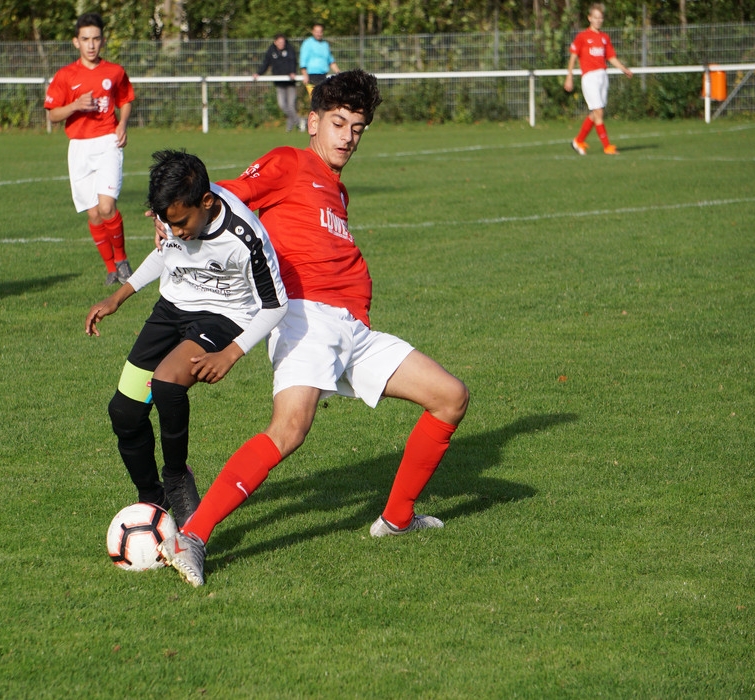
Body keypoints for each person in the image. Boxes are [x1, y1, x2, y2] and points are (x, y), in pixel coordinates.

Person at [157, 70, 469, 587]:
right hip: (306, 318)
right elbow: (221, 195)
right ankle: (192, 535)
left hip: (354, 330)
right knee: (289, 429)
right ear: (313, 122)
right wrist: (167, 217)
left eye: (358, 128)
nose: (348, 137)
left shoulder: (335, 189)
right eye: (338, 123)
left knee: (450, 397)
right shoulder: (290, 162)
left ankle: (396, 520)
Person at [86, 150, 287, 527]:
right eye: (169, 222)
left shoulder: (245, 236)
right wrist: (119, 296)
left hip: (223, 316)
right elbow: (166, 254)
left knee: (167, 383)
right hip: (171, 309)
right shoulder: (173, 214)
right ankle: (153, 500)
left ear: (206, 201)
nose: (175, 231)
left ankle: (177, 477)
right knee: (124, 413)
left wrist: (232, 353)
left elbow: (276, 305)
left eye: (181, 223)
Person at [46, 13, 135, 286]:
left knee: (107, 206)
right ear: (76, 42)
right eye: (85, 39)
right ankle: (111, 269)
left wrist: (122, 124)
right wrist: (75, 106)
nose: (91, 44)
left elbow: (126, 99)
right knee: (94, 213)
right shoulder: (65, 76)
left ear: (103, 40)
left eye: (96, 39)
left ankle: (122, 260)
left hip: (108, 142)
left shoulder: (114, 71)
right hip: (79, 147)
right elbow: (52, 114)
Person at [564, 3, 633, 156]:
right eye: (595, 17)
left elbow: (611, 57)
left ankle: (578, 141)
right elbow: (573, 57)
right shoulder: (582, 37)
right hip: (590, 78)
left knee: (596, 113)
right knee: (598, 112)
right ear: (589, 18)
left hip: (602, 76)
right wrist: (569, 76)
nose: (598, 20)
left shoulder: (604, 38)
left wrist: (623, 69)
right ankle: (607, 146)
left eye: (600, 18)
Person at [253, 33, 302, 133]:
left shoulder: (289, 49)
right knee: (282, 105)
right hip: (279, 83)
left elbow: (293, 61)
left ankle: (289, 128)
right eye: (279, 42)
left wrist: (292, 72)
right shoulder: (271, 50)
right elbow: (266, 63)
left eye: (283, 42)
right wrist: (258, 73)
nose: (281, 44)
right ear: (275, 42)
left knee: (291, 106)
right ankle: (300, 121)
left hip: (290, 83)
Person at [299, 23, 340, 97]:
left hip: (323, 76)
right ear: (313, 31)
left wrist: (339, 73)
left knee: (324, 98)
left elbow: (331, 61)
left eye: (320, 32)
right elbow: (303, 61)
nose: (318, 34)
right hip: (311, 76)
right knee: (314, 98)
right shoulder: (307, 43)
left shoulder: (325, 44)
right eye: (316, 31)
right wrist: (305, 75)